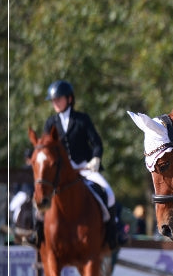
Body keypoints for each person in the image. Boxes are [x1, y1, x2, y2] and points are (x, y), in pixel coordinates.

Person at [40, 79, 122, 249]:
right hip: (61, 173)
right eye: (53, 100)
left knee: (109, 192)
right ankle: (38, 234)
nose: (55, 103)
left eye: (58, 99)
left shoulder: (82, 119)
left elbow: (97, 143)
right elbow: (45, 147)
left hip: (85, 168)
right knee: (41, 196)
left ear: (69, 99)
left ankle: (112, 235)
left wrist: (96, 159)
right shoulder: (50, 123)